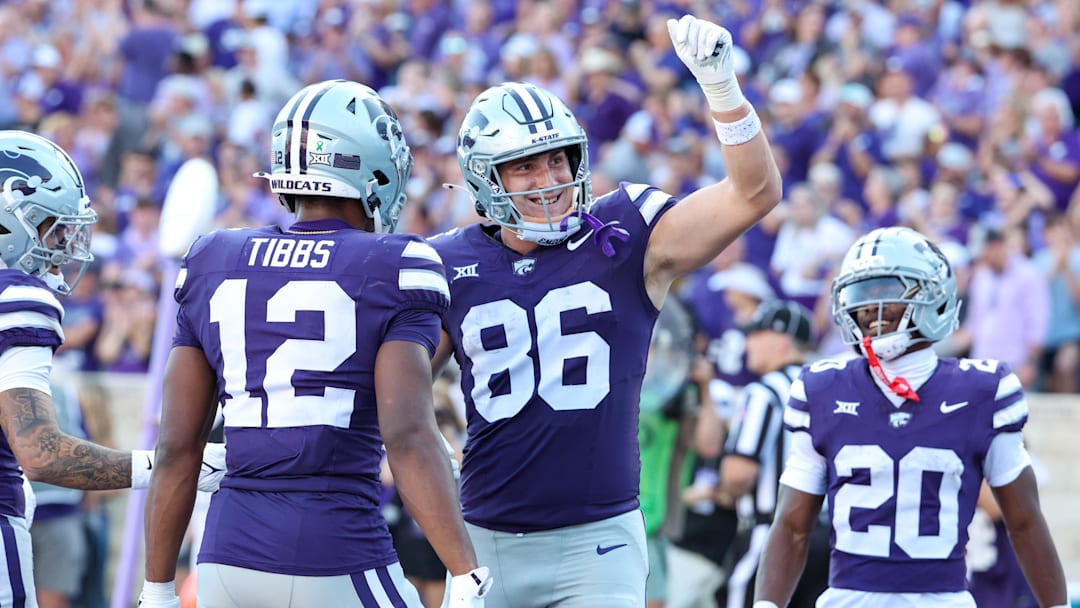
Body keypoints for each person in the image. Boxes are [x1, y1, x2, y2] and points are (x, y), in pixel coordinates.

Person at [429, 14, 782, 607]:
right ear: (483, 179)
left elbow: (754, 194)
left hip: (601, 538)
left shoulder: (625, 233)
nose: (548, 181)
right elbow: (391, 384)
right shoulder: (445, 262)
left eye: (558, 161)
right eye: (525, 166)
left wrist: (723, 91)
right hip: (484, 537)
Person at [138, 80, 491, 608]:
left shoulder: (214, 257)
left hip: (224, 559)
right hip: (335, 549)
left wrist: (158, 587)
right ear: (372, 168)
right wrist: (465, 572)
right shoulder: (397, 263)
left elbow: (176, 447)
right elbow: (408, 432)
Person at [753, 226, 1069, 608]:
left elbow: (1024, 520)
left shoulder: (983, 391)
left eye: (885, 289)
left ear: (935, 296)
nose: (869, 307)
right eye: (861, 293)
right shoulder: (822, 389)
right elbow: (791, 525)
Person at [0, 129, 224, 607]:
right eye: (50, 228)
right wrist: (165, 464)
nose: (62, 245)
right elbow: (41, 452)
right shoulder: (16, 297)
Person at [711, 300, 828, 608]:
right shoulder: (828, 391)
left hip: (772, 537)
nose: (747, 343)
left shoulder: (763, 392)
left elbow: (739, 474)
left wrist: (722, 489)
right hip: (828, 540)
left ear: (781, 341)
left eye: (756, 334)